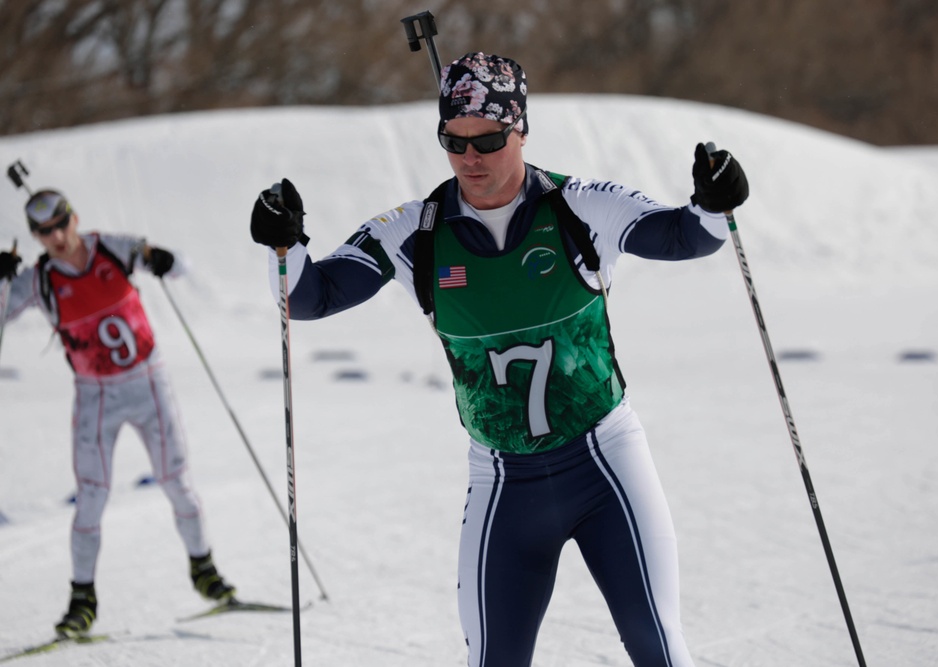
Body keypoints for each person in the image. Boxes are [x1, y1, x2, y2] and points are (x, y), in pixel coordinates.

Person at [249, 52, 749, 667]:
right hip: (504, 482)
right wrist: (285, 243)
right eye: (452, 141)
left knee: (658, 648)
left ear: (521, 129)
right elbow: (309, 298)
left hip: (605, 465)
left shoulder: (579, 207)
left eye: (487, 139)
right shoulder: (416, 232)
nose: (469, 157)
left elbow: (685, 236)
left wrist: (713, 199)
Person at [0, 189, 235, 638]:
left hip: (148, 383)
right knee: (91, 495)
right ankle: (82, 600)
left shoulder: (113, 247)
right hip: (96, 395)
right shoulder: (40, 278)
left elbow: (180, 264)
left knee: (176, 480)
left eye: (61, 225)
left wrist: (166, 259)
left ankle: (203, 568)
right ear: (36, 237)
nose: (56, 237)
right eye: (44, 232)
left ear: (74, 218)